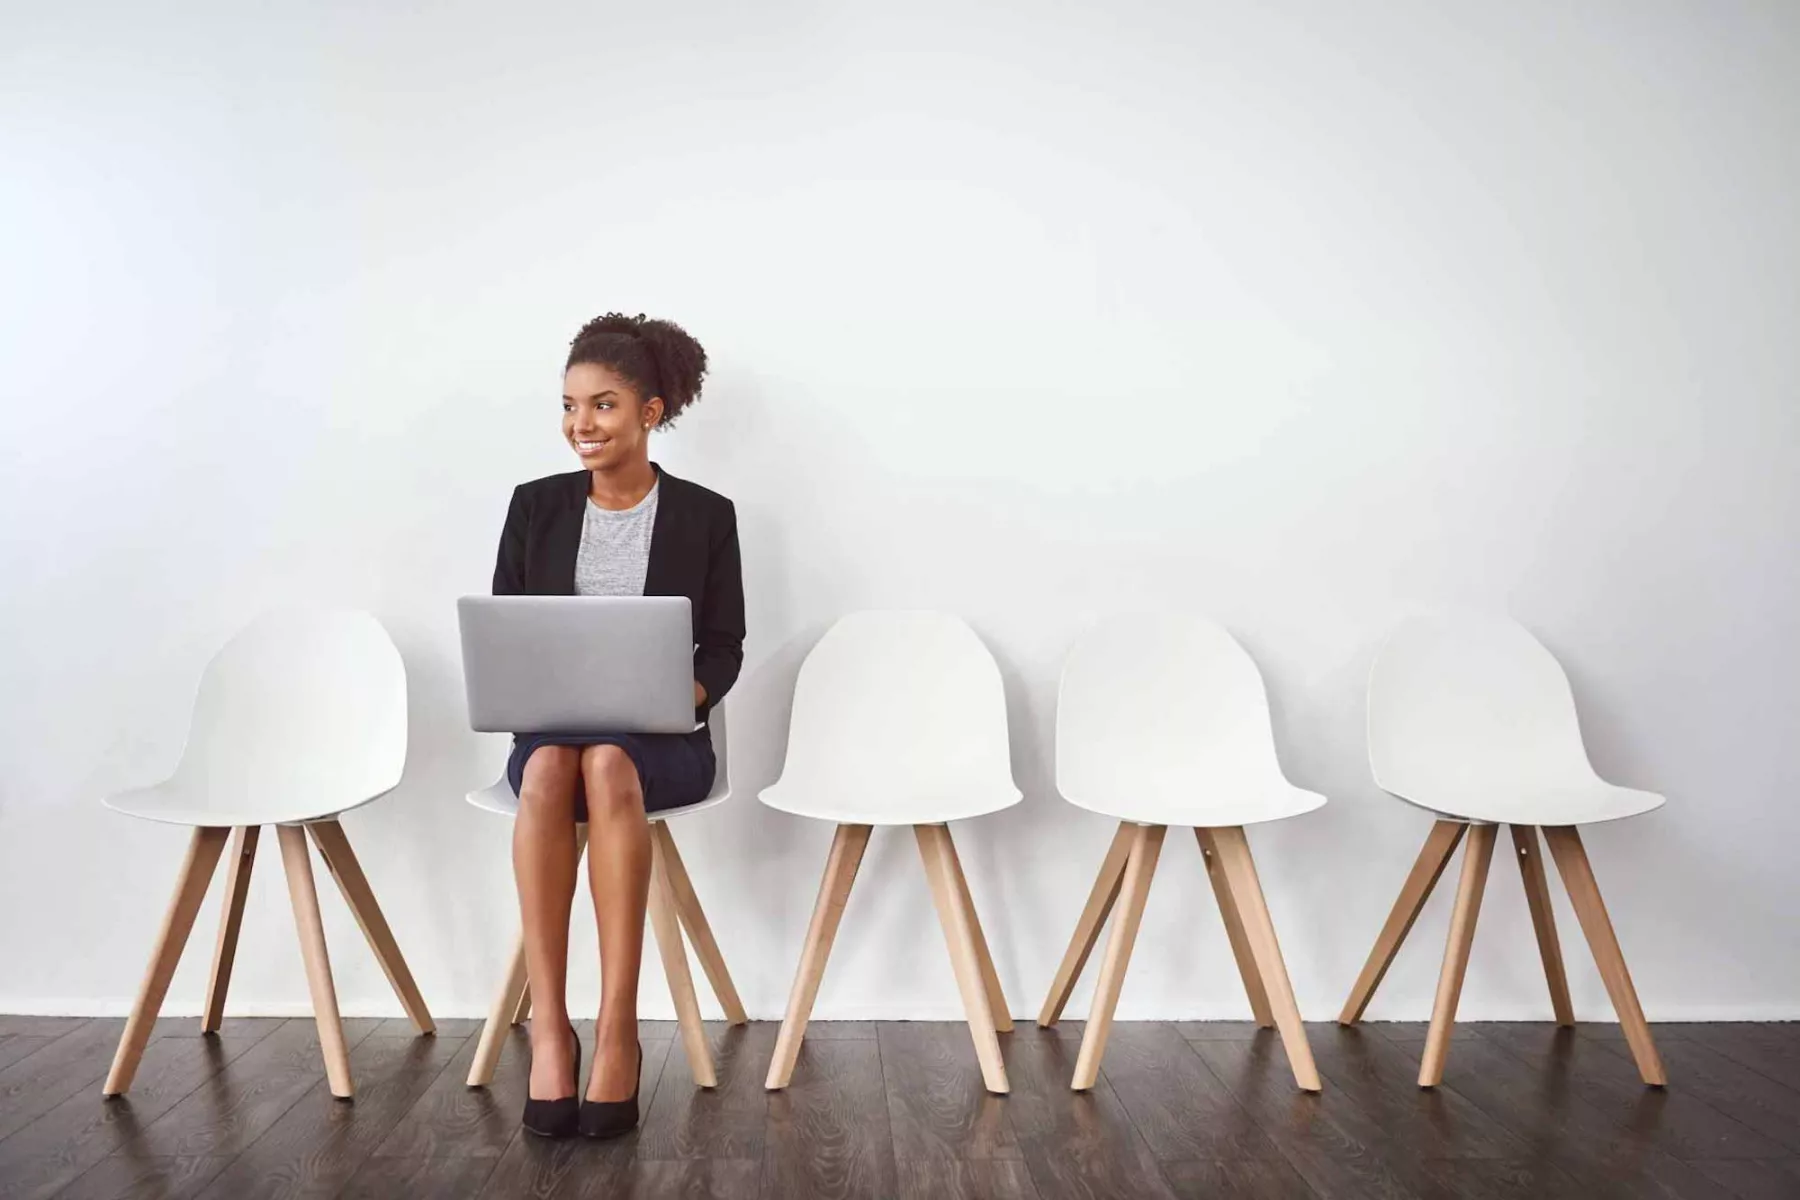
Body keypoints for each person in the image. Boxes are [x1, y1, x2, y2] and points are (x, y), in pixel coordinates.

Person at [491, 313, 744, 1139]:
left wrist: (684, 698)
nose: (580, 425)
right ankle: (553, 1031)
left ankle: (619, 1031)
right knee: (549, 768)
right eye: (569, 405)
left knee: (606, 762)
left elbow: (725, 645)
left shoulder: (706, 514)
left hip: (661, 744)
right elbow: (506, 632)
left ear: (650, 411)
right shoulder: (535, 507)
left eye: (602, 405)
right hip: (549, 733)